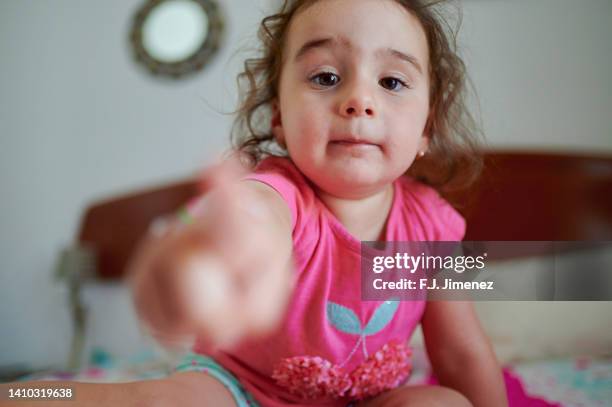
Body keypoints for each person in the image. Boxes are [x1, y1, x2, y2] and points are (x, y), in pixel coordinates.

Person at [7, 0, 507, 406]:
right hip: (239, 391)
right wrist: (214, 247)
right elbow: (253, 217)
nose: (359, 99)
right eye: (325, 77)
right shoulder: (277, 196)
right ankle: (30, 392)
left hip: (368, 401)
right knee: (161, 400)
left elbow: (461, 353)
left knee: (444, 405)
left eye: (392, 82)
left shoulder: (432, 228)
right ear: (279, 119)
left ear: (426, 127)